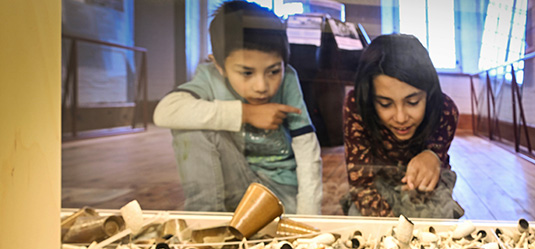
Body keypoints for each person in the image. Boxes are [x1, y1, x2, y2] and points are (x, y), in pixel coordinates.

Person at [153, 0, 322, 214]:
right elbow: (165, 111)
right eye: (246, 73)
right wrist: (246, 113)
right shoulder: (209, 76)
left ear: (283, 64)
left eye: (273, 71)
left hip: (280, 196)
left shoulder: (288, 79)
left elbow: (307, 147)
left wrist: (309, 218)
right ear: (219, 66)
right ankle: (205, 222)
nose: (262, 87)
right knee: (191, 127)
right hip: (233, 188)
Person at [342, 34, 464, 218]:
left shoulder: (445, 110)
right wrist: (396, 230)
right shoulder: (356, 106)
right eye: (385, 104)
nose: (400, 118)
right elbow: (361, 185)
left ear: (428, 95)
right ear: (369, 97)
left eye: (413, 102)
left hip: (423, 188)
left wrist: (432, 155)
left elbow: (435, 157)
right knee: (358, 217)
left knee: (440, 216)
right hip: (377, 183)